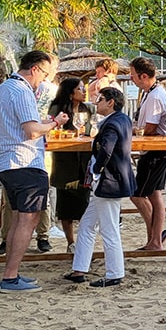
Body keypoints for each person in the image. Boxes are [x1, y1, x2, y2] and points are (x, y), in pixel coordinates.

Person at [0, 49, 67, 292]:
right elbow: (32, 131)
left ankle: (11, 272)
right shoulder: (22, 90)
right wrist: (55, 122)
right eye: (44, 74)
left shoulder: (4, 87)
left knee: (19, 218)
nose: (44, 80)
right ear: (34, 69)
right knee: (27, 218)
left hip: (8, 162)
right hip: (23, 161)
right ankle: (10, 276)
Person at [65, 85, 135, 287]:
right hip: (112, 179)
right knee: (87, 225)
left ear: (110, 102)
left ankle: (115, 273)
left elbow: (107, 149)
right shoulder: (121, 119)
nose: (96, 104)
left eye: (100, 100)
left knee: (109, 228)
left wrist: (97, 170)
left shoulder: (112, 124)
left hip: (109, 181)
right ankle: (79, 269)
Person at [129, 56, 166, 251]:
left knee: (137, 195)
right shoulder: (151, 92)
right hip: (157, 149)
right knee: (155, 194)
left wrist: (133, 132)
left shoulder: (154, 95)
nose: (131, 79)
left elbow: (151, 128)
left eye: (133, 75)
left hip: (155, 150)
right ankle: (155, 237)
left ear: (143, 76)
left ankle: (155, 236)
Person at [49, 77, 93, 251]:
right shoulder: (57, 109)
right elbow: (52, 131)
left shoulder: (87, 108)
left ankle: (83, 242)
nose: (84, 91)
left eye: (83, 88)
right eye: (80, 89)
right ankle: (71, 242)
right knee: (65, 204)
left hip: (84, 159)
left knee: (84, 202)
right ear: (70, 92)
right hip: (64, 160)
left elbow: (92, 129)